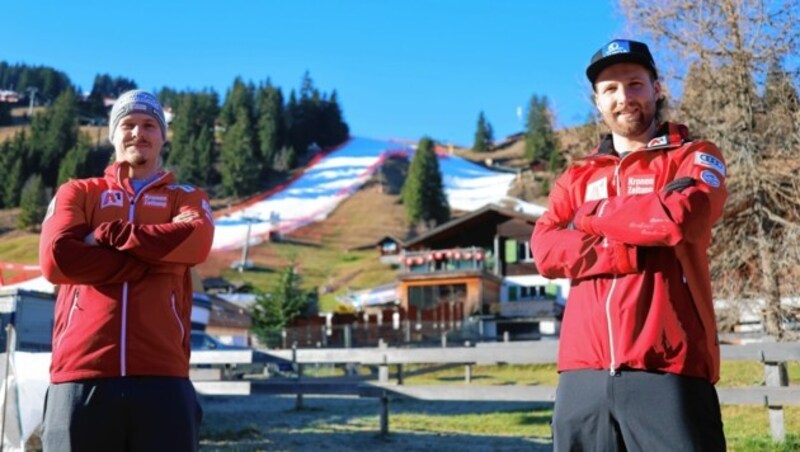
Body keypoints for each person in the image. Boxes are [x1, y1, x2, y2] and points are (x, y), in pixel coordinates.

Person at [531, 39, 727, 451]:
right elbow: (546, 250)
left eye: (635, 84)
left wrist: (589, 216)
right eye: (611, 90)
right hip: (582, 376)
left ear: (657, 88)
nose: (624, 98)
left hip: (669, 367)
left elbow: (680, 219)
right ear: (597, 102)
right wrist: (623, 247)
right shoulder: (576, 175)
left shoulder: (695, 155)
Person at [39, 90, 215, 451]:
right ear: (113, 134)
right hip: (81, 372)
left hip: (163, 374)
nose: (139, 132)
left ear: (163, 136)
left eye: (150, 125)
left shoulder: (185, 197)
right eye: (128, 124)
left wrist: (106, 233)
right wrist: (152, 261)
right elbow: (57, 260)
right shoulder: (79, 192)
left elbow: (196, 242)